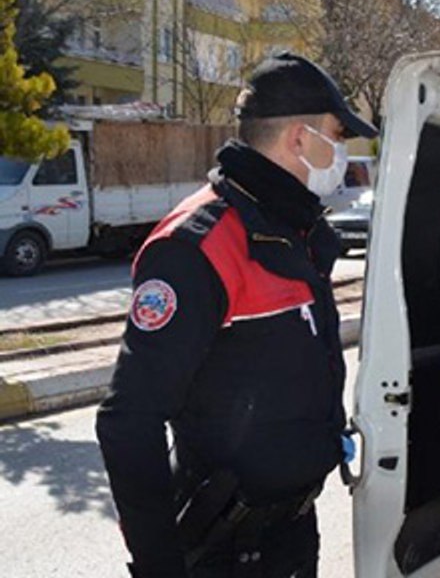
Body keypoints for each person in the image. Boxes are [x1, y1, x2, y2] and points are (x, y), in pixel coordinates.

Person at [96, 53, 377, 578]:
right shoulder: (198, 244)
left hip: (289, 533)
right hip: (226, 548)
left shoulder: (290, 230)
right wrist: (160, 566)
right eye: (336, 137)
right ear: (299, 138)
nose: (341, 152)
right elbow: (128, 420)